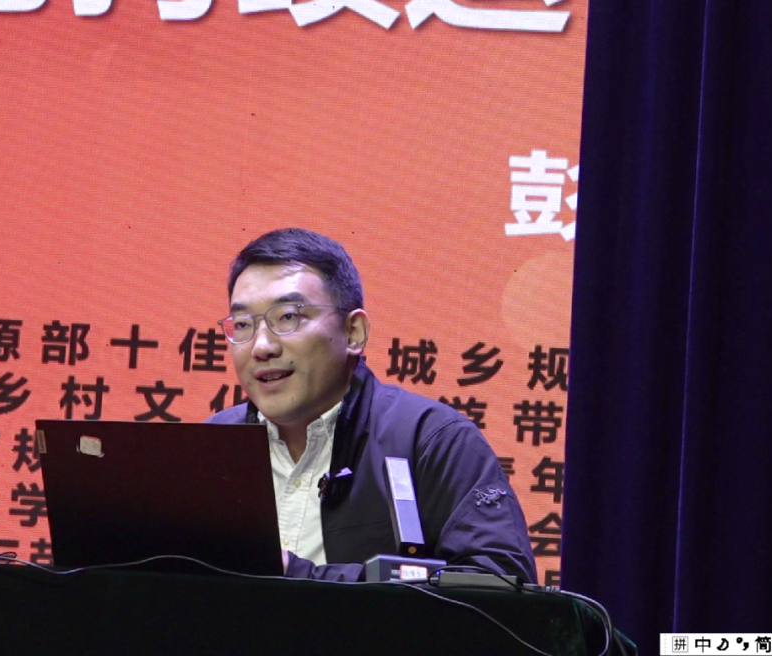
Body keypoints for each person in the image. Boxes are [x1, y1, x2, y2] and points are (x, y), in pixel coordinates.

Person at [207, 228, 537, 582]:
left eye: (288, 317)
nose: (261, 347)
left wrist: (300, 576)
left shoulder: (431, 440)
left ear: (354, 332)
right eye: (243, 324)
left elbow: (499, 582)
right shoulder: (211, 447)